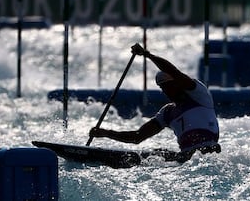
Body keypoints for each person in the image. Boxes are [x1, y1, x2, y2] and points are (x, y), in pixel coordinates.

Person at [89, 43, 220, 162]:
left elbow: (174, 72)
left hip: (209, 155)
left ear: (177, 83)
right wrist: (106, 133)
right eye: (163, 89)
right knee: (157, 154)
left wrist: (147, 55)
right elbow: (137, 137)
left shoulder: (199, 95)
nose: (166, 92)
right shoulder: (167, 112)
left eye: (168, 87)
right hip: (186, 159)